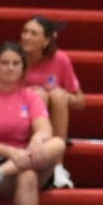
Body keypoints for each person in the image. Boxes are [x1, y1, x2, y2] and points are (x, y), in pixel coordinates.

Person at [0, 42, 67, 205]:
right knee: (28, 175)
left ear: (23, 68)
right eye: (5, 63)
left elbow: (44, 128)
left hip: (23, 160)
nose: (10, 68)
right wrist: (12, 152)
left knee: (56, 144)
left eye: (15, 63)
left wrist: (35, 139)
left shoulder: (30, 96)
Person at [19, 16, 83, 189]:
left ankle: (57, 165)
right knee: (38, 95)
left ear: (46, 40)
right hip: (20, 114)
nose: (27, 37)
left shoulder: (60, 59)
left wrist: (65, 95)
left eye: (33, 33)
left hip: (51, 116)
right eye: (25, 32)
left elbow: (80, 100)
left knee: (56, 95)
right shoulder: (14, 58)